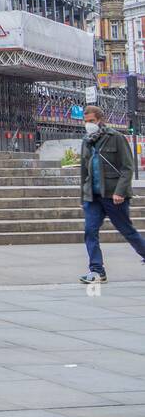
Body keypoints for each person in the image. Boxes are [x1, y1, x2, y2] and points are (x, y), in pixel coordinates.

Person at [77, 105, 145, 284]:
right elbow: (84, 170)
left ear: (100, 119)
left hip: (114, 195)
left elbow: (128, 167)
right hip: (93, 196)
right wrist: (83, 196)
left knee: (127, 231)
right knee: (90, 231)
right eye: (85, 121)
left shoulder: (115, 138)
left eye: (91, 121)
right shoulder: (86, 141)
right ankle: (97, 271)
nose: (88, 124)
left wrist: (120, 191)